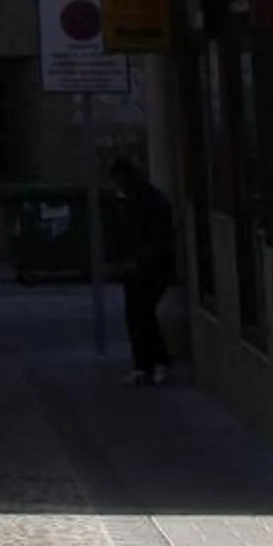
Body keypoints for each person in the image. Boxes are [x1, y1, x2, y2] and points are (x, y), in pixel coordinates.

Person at [110, 156, 176, 384]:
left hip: (154, 269)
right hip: (136, 269)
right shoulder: (128, 203)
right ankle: (145, 364)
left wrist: (140, 262)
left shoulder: (153, 202)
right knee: (135, 315)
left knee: (142, 313)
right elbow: (122, 235)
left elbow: (159, 239)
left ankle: (156, 362)